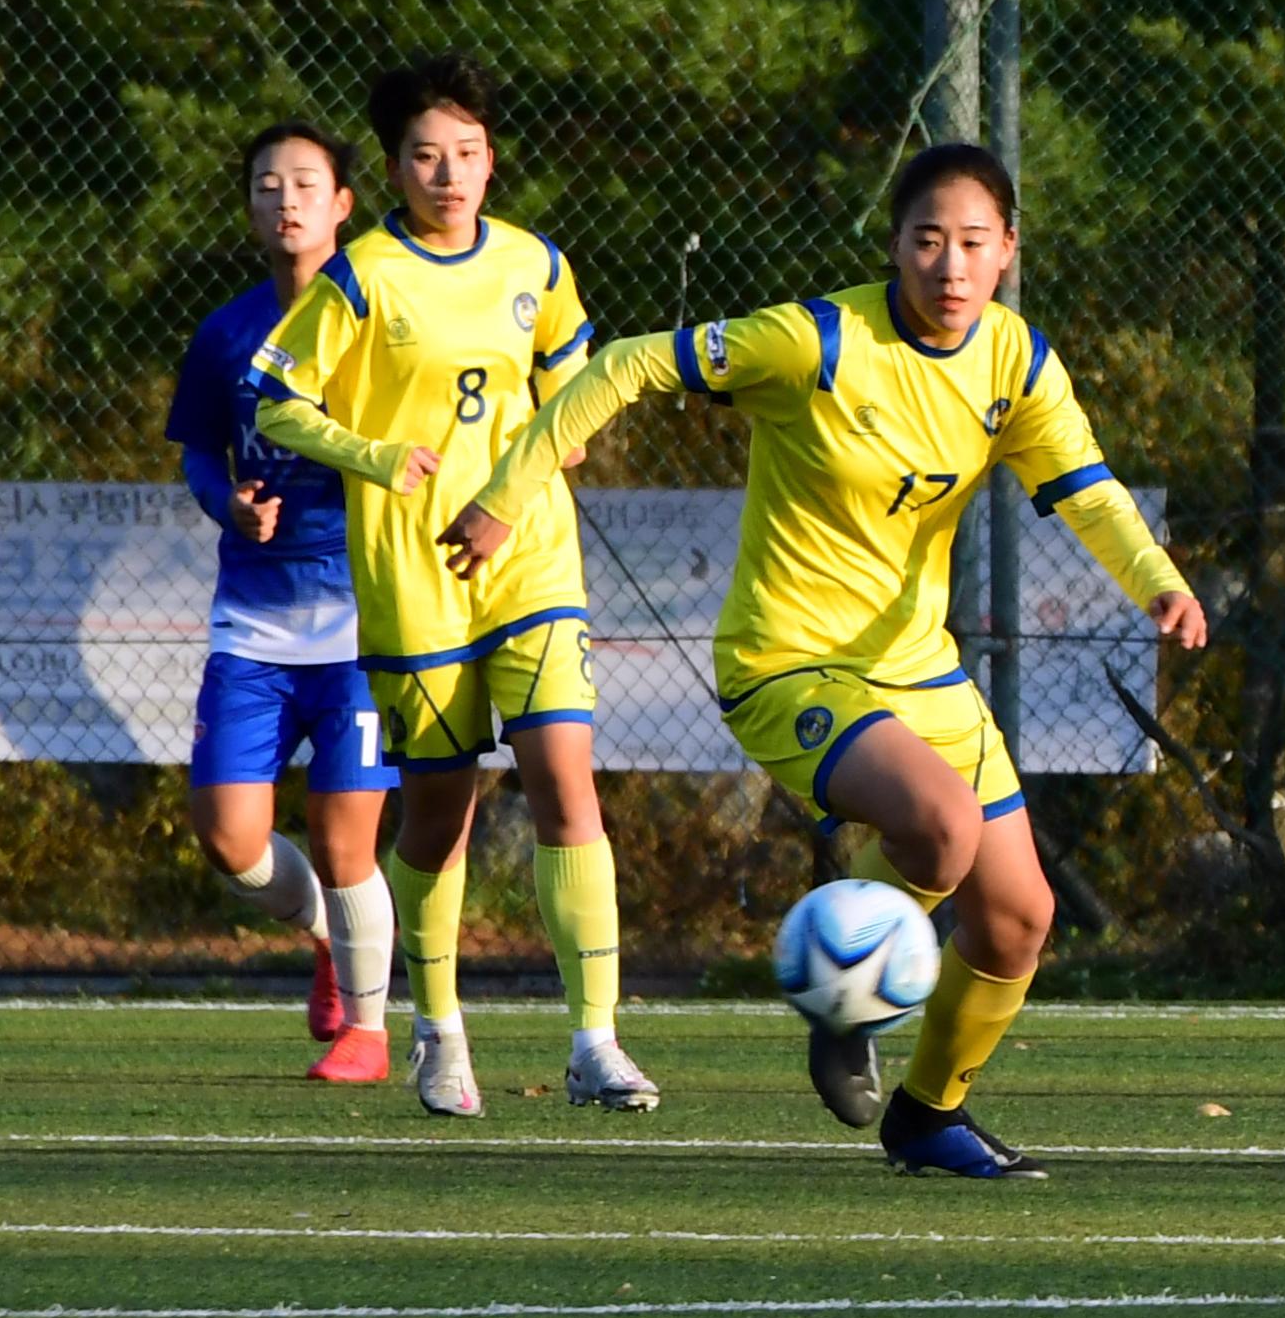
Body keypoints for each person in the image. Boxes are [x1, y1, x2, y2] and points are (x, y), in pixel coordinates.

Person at [461, 142, 1206, 1177]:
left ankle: (928, 1115)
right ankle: (840, 995)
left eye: (973, 244)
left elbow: (1088, 490)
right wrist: (505, 495)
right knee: (939, 829)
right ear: (895, 246)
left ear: (1008, 255)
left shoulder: (1016, 362)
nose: (949, 266)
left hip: (920, 672)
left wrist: (1156, 581)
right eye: (927, 240)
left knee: (1019, 918)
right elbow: (626, 362)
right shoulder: (815, 341)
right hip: (788, 663)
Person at [247, 57, 644, 1119]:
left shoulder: (534, 262)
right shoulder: (363, 275)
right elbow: (274, 401)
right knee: (438, 818)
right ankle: (438, 1030)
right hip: (414, 573)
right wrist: (374, 455)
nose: (449, 172)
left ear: (491, 159)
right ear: (393, 168)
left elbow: (578, 387)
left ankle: (595, 1040)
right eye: (427, 155)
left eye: (467, 153)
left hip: (531, 558)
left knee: (567, 780)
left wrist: (535, 469)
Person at [163, 121, 397, 1086]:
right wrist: (230, 503)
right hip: (253, 626)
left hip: (363, 625)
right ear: (252, 209)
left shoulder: (384, 326)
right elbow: (195, 452)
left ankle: (373, 1036)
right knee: (229, 839)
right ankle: (332, 944)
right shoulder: (226, 333)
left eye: (308, 183)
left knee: (349, 848)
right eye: (268, 184)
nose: (288, 199)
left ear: (344, 205)